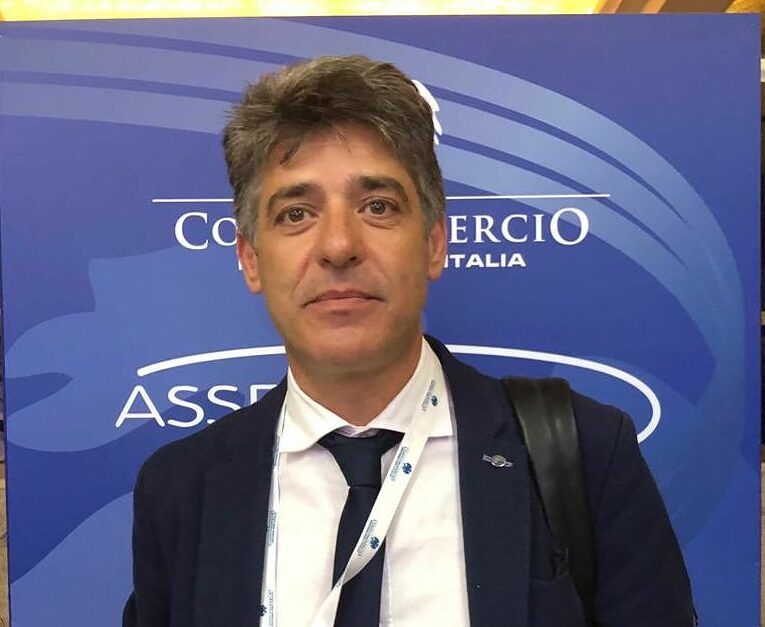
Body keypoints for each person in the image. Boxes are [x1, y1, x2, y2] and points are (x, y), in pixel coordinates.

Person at [123, 55, 695, 627]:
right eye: (296, 214)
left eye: (377, 206)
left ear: (434, 243)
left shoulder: (587, 452)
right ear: (251, 259)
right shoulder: (181, 490)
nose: (339, 246)